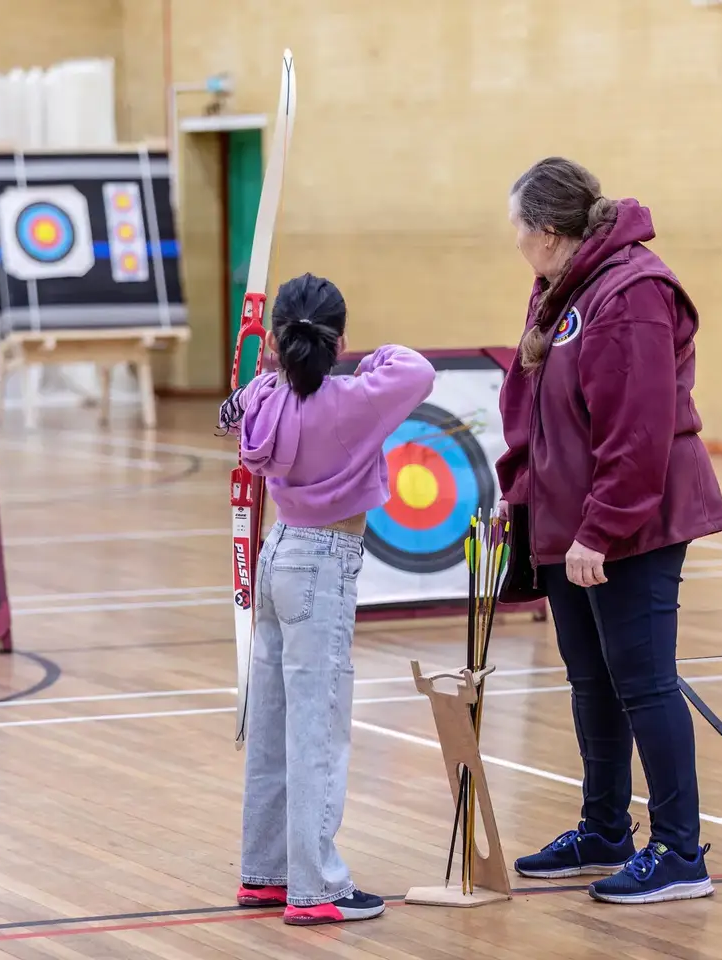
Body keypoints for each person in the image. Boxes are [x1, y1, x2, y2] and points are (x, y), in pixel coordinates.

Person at [493, 157, 722, 904]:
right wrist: (525, 494)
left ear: (552, 232)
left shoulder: (628, 295)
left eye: (520, 230)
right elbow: (548, 414)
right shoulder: (564, 289)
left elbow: (637, 431)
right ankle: (603, 830)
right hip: (573, 522)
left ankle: (680, 852)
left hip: (633, 523)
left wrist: (601, 530)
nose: (518, 242)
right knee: (591, 680)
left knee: (643, 681)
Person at [218, 272, 435, 925]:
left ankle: (267, 873)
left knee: (275, 726)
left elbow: (227, 415)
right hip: (323, 565)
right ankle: (316, 888)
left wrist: (264, 374)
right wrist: (360, 357)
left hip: (280, 555)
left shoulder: (265, 397)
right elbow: (415, 369)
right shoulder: (353, 400)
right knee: (316, 726)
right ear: (336, 339)